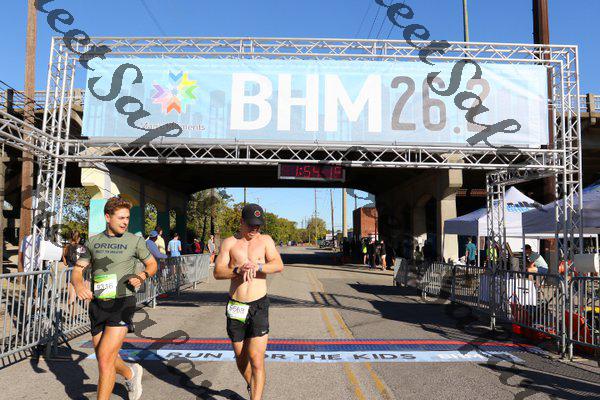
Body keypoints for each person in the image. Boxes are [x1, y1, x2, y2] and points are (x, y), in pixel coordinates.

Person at [71, 197, 157, 400]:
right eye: (121, 218)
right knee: (104, 357)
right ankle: (130, 373)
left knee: (104, 361)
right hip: (99, 303)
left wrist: (141, 276)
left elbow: (152, 264)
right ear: (108, 217)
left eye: (127, 218)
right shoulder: (93, 241)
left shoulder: (135, 241)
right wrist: (79, 285)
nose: (125, 222)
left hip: (122, 302)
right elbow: (77, 270)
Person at [213, 203, 284, 400]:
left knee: (256, 359)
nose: (255, 229)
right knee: (241, 358)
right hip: (236, 305)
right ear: (242, 222)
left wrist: (258, 266)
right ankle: (252, 385)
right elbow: (217, 272)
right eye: (251, 224)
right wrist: (237, 270)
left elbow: (278, 265)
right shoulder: (229, 243)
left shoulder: (266, 240)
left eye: (258, 225)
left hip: (259, 304)